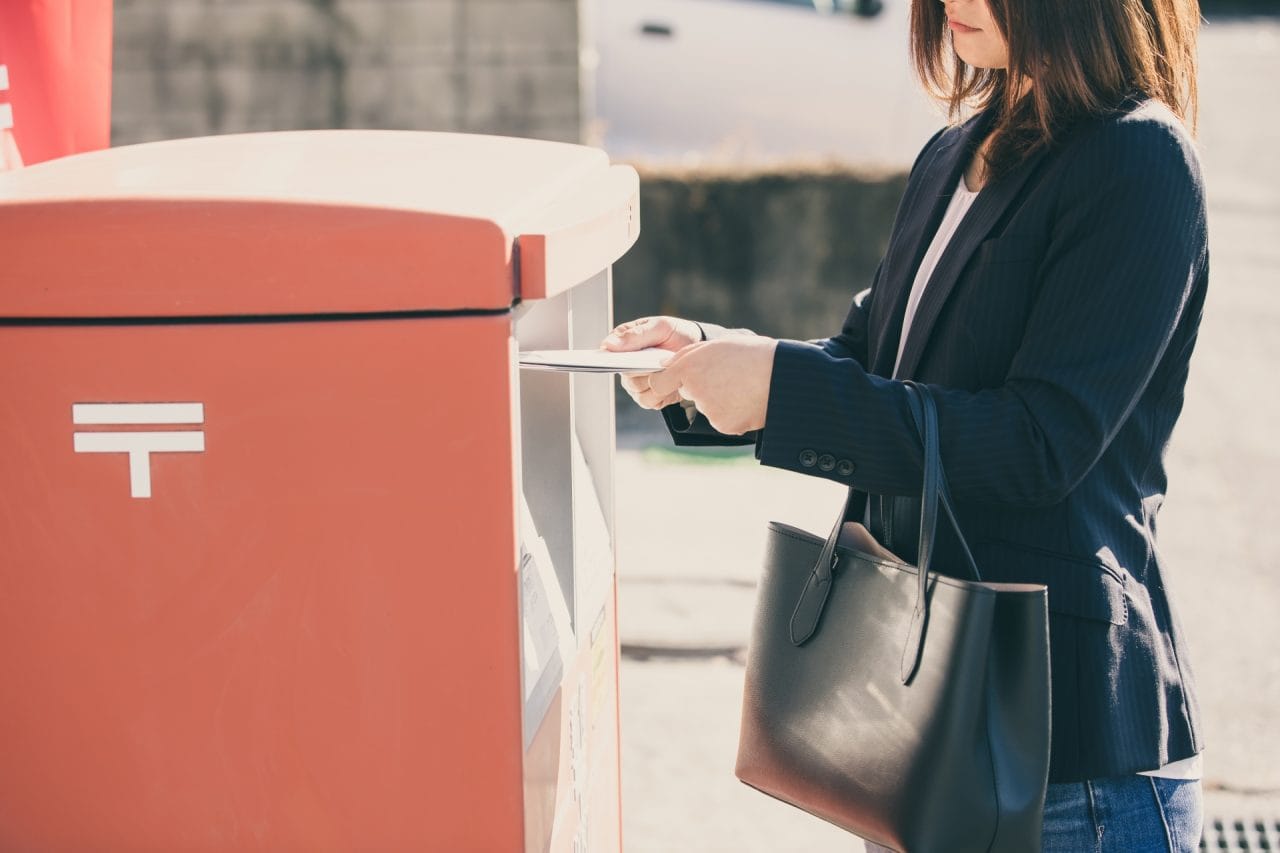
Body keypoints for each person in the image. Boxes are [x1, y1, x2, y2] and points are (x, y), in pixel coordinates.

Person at [602, 0, 1208, 848]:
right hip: (919, 733)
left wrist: (778, 389)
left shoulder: (1137, 159)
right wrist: (713, 358)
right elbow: (869, 358)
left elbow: (1038, 444)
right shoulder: (955, 152)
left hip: (1071, 769)